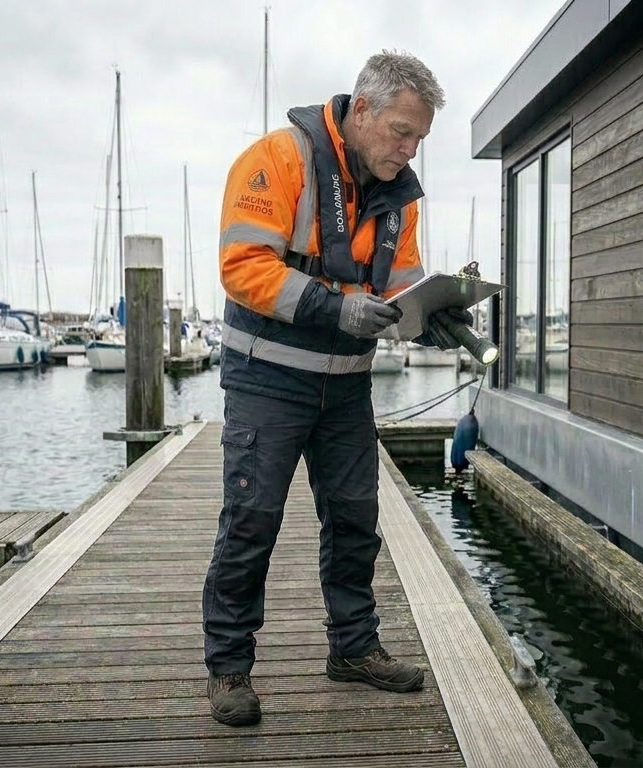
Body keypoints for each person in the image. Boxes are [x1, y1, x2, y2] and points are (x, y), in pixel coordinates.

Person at [202, 50, 472, 727]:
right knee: (252, 521)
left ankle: (353, 648)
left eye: (419, 139)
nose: (409, 150)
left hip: (347, 387)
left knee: (355, 522)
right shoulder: (277, 159)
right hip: (267, 380)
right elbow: (243, 266)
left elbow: (398, 288)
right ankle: (229, 667)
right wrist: (334, 308)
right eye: (402, 133)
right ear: (363, 111)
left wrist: (432, 318)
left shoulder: (400, 196)